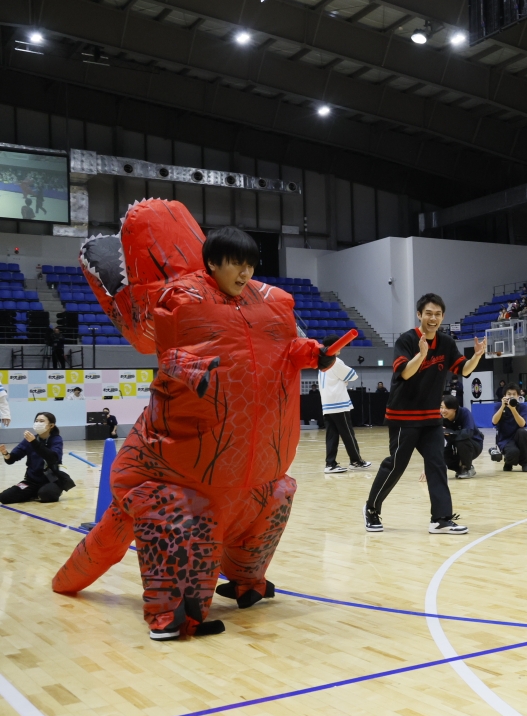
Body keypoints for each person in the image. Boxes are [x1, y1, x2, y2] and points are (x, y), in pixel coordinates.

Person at [53, 213, 329, 640]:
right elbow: (168, 348)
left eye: (251, 264)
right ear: (212, 263)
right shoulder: (181, 299)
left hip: (245, 469)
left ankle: (245, 580)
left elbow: (283, 348)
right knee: (180, 508)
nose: (245, 272)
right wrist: (191, 366)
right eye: (236, 263)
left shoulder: (270, 302)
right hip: (169, 469)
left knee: (274, 495)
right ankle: (171, 615)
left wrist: (312, 352)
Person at [365, 293, 486, 535]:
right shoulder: (407, 340)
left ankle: (440, 519)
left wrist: (477, 356)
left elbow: (463, 370)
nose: (433, 318)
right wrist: (421, 355)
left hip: (431, 417)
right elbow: (405, 374)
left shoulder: (446, 343)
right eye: (428, 313)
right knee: (396, 464)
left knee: (437, 463)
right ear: (419, 314)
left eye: (438, 314)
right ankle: (371, 509)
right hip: (403, 415)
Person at [318, 335, 369, 474]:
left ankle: (330, 464)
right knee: (348, 434)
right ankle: (356, 461)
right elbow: (353, 376)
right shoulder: (335, 361)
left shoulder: (322, 361)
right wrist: (344, 381)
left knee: (332, 435)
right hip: (338, 403)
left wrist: (343, 381)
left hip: (327, 404)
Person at [0, 412, 73, 504]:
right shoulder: (29, 440)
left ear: (51, 425)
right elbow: (11, 459)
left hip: (52, 480)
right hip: (32, 481)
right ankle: (32, 493)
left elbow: (52, 458)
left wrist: (34, 442)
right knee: (5, 497)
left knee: (46, 494)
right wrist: (5, 454)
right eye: (36, 421)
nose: (38, 423)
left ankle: (45, 491)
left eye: (41, 421)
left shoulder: (56, 439)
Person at [492, 384, 527, 471]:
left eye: (514, 394)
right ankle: (508, 461)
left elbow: (522, 424)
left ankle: (525, 463)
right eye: (509, 394)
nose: (511, 396)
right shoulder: (498, 406)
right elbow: (494, 421)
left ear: (518, 396)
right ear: (504, 396)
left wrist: (513, 409)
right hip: (504, 439)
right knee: (513, 453)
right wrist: (503, 406)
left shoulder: (523, 407)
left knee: (523, 432)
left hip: (518, 436)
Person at [440, 395, 482, 479]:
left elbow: (468, 433)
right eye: (441, 407)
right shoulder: (441, 418)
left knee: (462, 440)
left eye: (447, 408)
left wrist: (451, 433)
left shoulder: (464, 413)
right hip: (453, 444)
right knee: (443, 453)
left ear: (455, 408)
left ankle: (467, 468)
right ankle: (460, 468)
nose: (443, 411)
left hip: (474, 445)